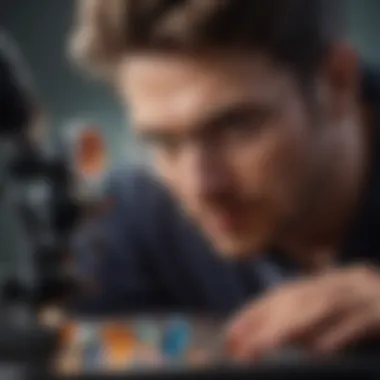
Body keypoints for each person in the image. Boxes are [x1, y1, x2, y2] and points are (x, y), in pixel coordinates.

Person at [69, 0, 380, 361]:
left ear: (337, 82)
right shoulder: (132, 217)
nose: (200, 187)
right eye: (162, 142)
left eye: (237, 127)